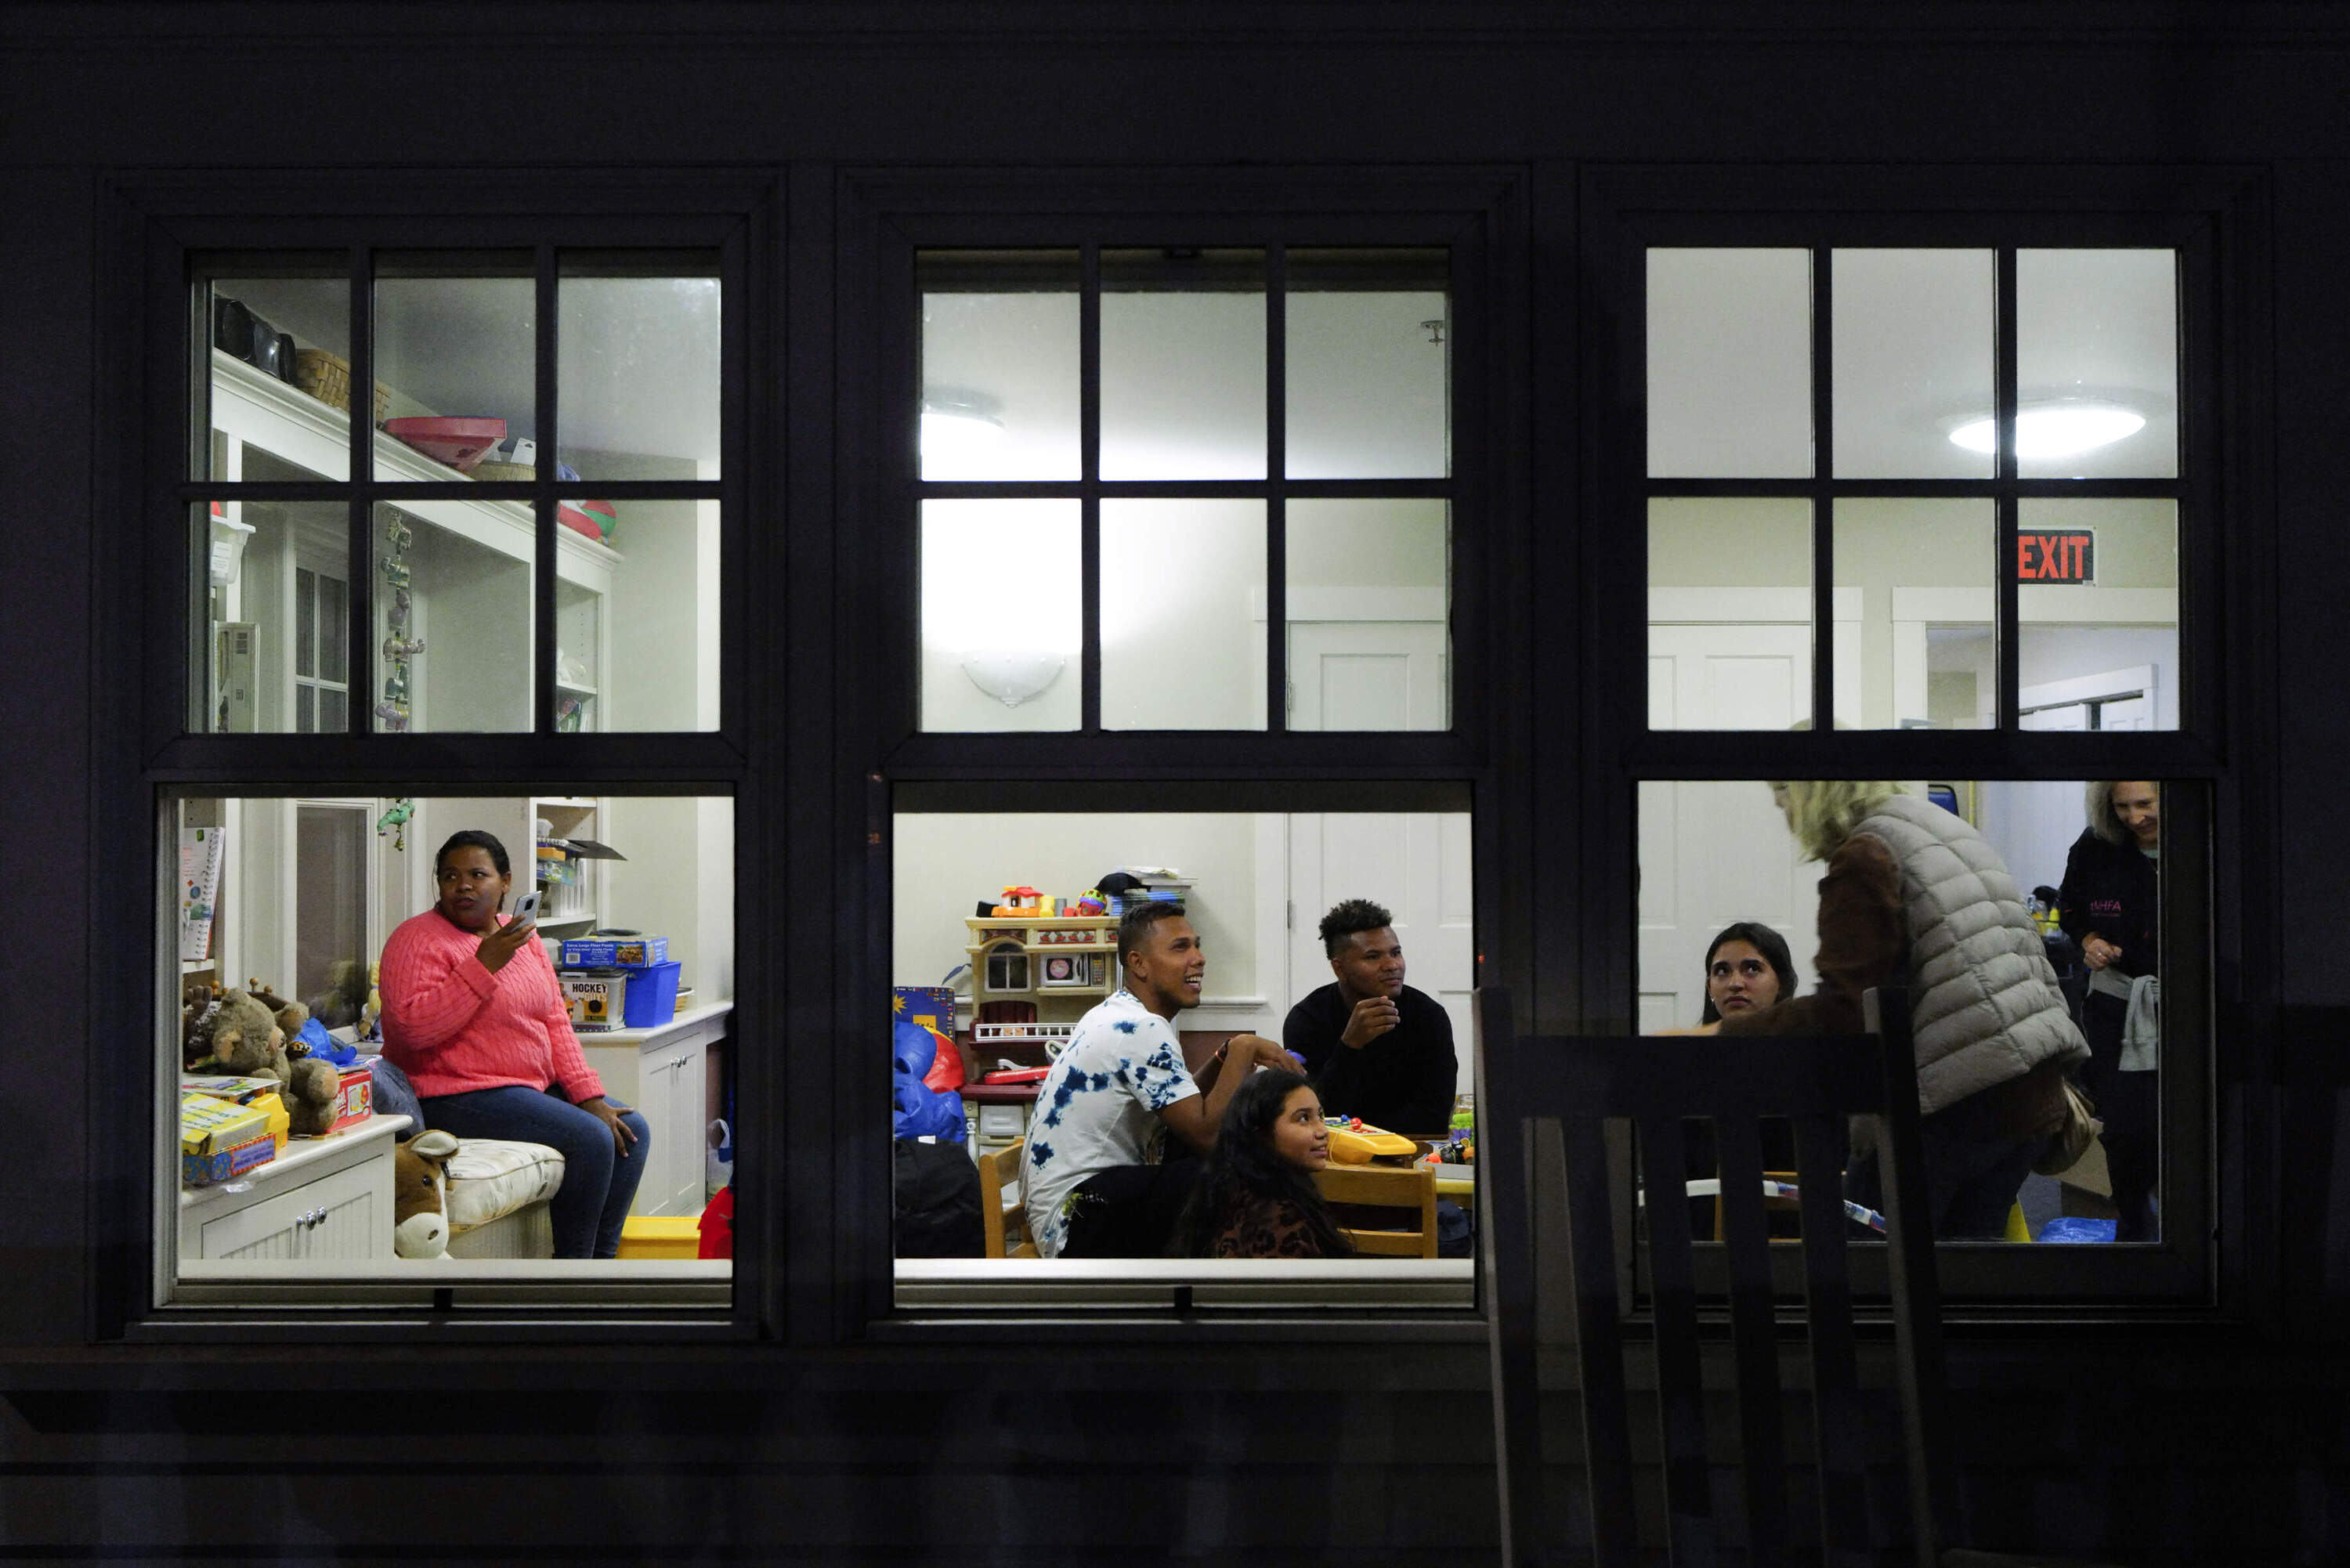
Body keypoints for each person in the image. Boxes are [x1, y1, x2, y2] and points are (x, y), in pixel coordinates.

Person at [1694, 782, 2088, 1239]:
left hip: (1954, 1102)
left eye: (1783, 788)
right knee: (1969, 1277)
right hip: (2030, 1095)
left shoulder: (1868, 853)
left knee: (1869, 1274)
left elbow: (1845, 1010)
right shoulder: (1943, 830)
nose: (1779, 804)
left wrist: (1718, 1037)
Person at [379, 830, 650, 1260]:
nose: (463, 885)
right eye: (450, 876)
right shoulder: (415, 939)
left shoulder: (519, 934)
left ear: (506, 882)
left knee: (630, 1132)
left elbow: (554, 1020)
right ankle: (570, 1279)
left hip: (525, 1088)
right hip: (454, 1093)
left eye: (478, 874)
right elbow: (411, 1030)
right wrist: (482, 965)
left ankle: (602, 1268)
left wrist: (589, 1095)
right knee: (591, 1139)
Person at [1020, 901, 1294, 1259]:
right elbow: (1208, 1135)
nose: (1198, 958)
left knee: (1215, 1161)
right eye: (1181, 947)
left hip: (1076, 1206)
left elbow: (1181, 1106)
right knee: (1231, 1171)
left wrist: (1221, 1058)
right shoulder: (1140, 1028)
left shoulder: (1113, 1012)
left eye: (1197, 945)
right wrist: (1243, 1049)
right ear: (1138, 963)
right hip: (1076, 1222)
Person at [2059, 780, 2162, 1241]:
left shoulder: (2204, 835)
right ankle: (2134, 1223)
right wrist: (2090, 942)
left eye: (2145, 804)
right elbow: (2072, 910)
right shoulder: (2096, 845)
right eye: (2123, 808)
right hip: (2116, 1003)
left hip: (2187, 1003)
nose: (2135, 817)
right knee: (2125, 1128)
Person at [1282, 899, 1459, 1133]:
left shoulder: (1428, 1016)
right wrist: (1349, 1046)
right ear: (1339, 969)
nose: (1392, 965)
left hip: (1407, 1148)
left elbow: (1435, 1114)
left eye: (1396, 953)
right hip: (1331, 1151)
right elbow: (1314, 1115)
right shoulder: (1308, 1019)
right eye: (1373, 957)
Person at [1173, 1068, 1353, 1259]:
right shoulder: (1275, 1219)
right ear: (1260, 1133)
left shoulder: (1234, 1186)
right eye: (1303, 1118)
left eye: (1320, 1116)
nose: (1322, 1131)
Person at [1698, 920, 1797, 1025]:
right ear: (1709, 987)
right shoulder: (1690, 1040)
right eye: (1722, 971)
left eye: (1752, 969)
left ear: (1781, 982)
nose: (1735, 984)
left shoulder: (1808, 1040)